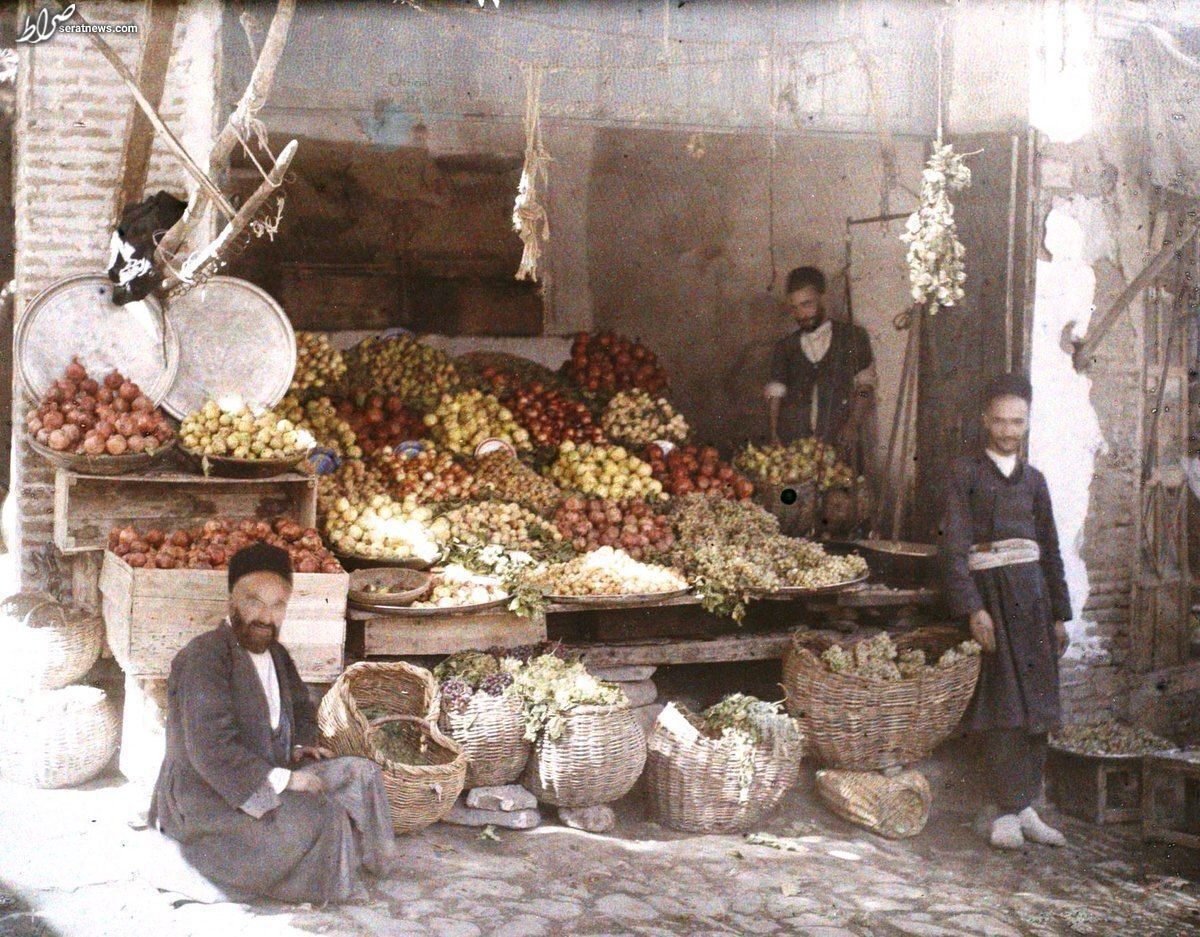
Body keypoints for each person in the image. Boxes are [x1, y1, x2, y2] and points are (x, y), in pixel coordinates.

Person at [150, 542, 396, 904]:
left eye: (278, 604)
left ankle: (366, 868)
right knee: (322, 816)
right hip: (210, 798)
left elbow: (300, 707)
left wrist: (300, 745)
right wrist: (287, 780)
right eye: (254, 601)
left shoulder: (276, 653)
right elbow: (211, 750)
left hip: (268, 772)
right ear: (232, 599)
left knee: (363, 775)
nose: (266, 616)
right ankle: (207, 869)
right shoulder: (205, 657)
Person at [938, 373, 1072, 851]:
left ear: (1028, 422)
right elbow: (953, 547)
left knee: (1037, 702)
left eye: (1018, 422)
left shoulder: (1035, 482)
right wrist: (972, 607)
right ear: (984, 421)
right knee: (1003, 705)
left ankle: (1027, 807)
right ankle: (1003, 811)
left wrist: (1059, 613)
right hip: (992, 601)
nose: (1009, 431)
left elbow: (1050, 549)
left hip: (1033, 600)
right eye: (1000, 421)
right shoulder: (964, 473)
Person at [764, 266, 876, 461]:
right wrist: (774, 432)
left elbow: (865, 387)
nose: (801, 314)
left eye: (807, 304)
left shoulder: (853, 337)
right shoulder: (785, 347)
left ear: (823, 299)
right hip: (797, 450)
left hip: (840, 447)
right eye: (795, 307)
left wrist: (853, 424)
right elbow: (775, 395)